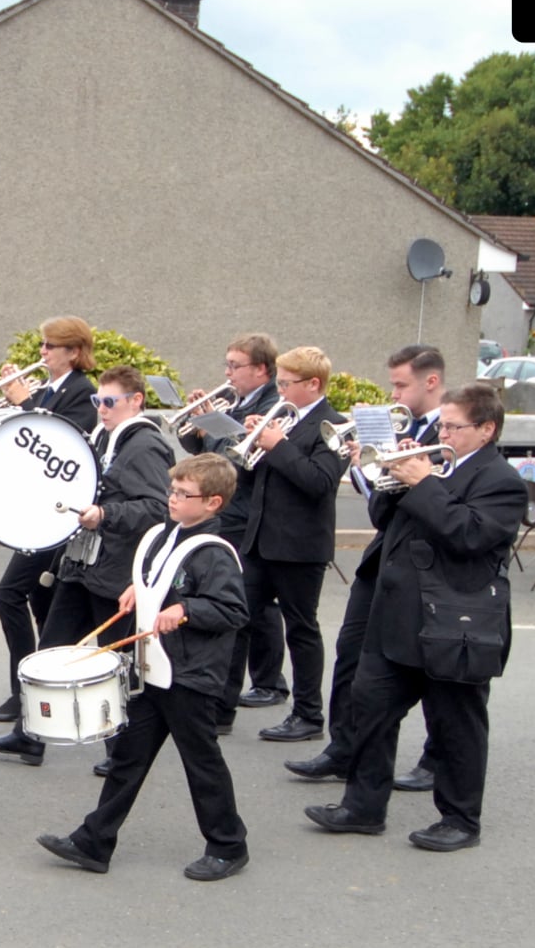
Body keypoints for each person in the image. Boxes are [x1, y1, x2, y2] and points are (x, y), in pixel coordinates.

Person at [305, 381, 526, 852]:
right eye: (441, 423)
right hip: (399, 617)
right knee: (371, 707)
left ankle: (461, 820)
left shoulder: (501, 481)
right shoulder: (438, 466)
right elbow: (388, 520)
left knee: (456, 724)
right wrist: (393, 472)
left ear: (485, 430)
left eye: (452, 426)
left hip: (455, 622)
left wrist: (424, 482)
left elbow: (468, 535)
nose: (441, 432)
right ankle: (363, 806)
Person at [36, 453, 250, 878]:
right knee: (128, 760)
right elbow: (161, 575)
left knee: (201, 762)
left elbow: (232, 610)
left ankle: (228, 845)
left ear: (213, 503)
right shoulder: (166, 535)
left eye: (183, 494)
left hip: (190, 676)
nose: (172, 499)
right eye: (172, 490)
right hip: (155, 671)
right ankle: (94, 841)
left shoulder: (216, 552)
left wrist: (186, 609)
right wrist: (140, 588)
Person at [0, 365, 174, 769]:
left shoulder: (145, 445)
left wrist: (105, 513)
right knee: (51, 649)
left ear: (136, 401)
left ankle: (120, 752)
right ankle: (30, 735)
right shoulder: (102, 437)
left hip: (116, 569)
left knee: (111, 662)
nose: (100, 409)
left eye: (109, 401)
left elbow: (158, 509)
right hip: (82, 563)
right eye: (96, 401)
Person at [285, 345, 446, 791]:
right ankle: (344, 746)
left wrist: (415, 470)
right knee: (353, 654)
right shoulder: (403, 428)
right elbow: (379, 504)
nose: (393, 392)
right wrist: (365, 463)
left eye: (401, 384)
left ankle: (439, 757)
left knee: (431, 667)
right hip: (383, 559)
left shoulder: (447, 433)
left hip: (426, 567)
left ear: (430, 382)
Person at [0, 316, 100, 723]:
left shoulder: (83, 394)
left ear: (74, 352)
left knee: (9, 594)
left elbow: (58, 447)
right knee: (42, 604)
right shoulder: (51, 388)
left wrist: (23, 403)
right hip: (35, 511)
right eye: (43, 345)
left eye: (52, 346)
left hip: (58, 516)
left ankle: (23, 691)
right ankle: (47, 689)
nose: (43, 352)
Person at [226, 345, 345, 744]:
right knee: (237, 618)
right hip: (260, 540)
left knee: (301, 629)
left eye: (287, 384)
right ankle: (220, 707)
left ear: (313, 384)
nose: (280, 392)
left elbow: (319, 483)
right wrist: (255, 442)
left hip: (299, 547)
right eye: (278, 382)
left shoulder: (335, 425)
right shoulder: (285, 419)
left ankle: (309, 715)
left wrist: (278, 445)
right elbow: (252, 477)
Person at [178, 334, 288, 730]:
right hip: (229, 507)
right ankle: (248, 686)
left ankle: (267, 681)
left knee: (249, 604)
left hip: (244, 512)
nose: (227, 373)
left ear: (261, 369)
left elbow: (240, 460)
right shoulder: (239, 403)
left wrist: (223, 432)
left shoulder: (269, 403)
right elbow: (204, 452)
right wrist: (199, 421)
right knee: (248, 602)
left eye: (234, 366)